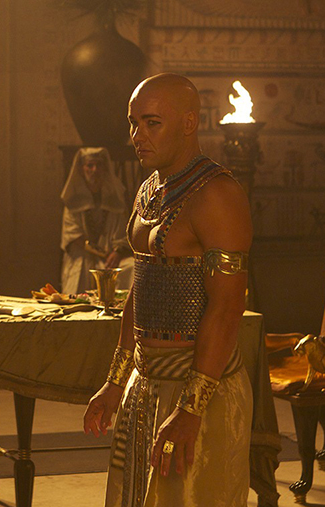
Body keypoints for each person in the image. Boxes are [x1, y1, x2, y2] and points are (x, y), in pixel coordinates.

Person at [83, 73, 253, 507]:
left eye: (152, 123)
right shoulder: (149, 190)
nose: (137, 135)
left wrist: (191, 408)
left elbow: (227, 307)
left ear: (189, 122)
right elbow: (140, 289)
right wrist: (115, 380)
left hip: (201, 388)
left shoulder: (218, 195)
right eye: (133, 123)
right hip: (145, 383)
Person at [60, 147, 133, 294]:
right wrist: (102, 253)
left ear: (105, 169)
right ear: (82, 170)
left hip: (110, 256)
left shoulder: (115, 200)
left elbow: (123, 233)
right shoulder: (73, 200)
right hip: (83, 254)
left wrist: (116, 253)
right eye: (90, 165)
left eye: (99, 165)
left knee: (132, 267)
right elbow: (74, 236)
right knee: (79, 274)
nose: (95, 170)